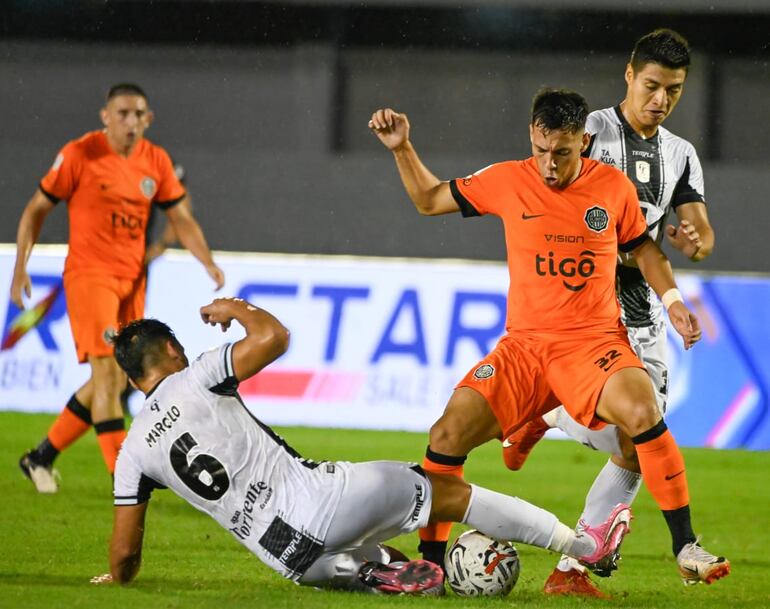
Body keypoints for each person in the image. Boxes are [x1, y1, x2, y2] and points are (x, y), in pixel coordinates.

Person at [368, 88, 728, 590]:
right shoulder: (507, 179)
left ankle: (685, 545)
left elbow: (645, 250)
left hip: (593, 344)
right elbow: (429, 200)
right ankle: (430, 566)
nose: (550, 165)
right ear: (531, 138)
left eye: (562, 152)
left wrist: (673, 304)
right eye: (541, 151)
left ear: (584, 141)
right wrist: (401, 148)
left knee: (644, 417)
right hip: (525, 348)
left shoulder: (613, 188)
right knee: (445, 436)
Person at [91, 297, 632, 593]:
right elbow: (275, 338)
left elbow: (124, 555)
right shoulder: (200, 374)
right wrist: (235, 307)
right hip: (326, 501)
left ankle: (374, 571)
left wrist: (114, 578)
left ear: (131, 375)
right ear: (171, 348)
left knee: (361, 556)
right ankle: (586, 548)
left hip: (288, 558)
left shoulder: (133, 453)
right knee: (445, 490)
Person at [499, 30, 721, 597]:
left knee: (641, 444)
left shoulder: (680, 153)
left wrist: (692, 238)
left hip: (643, 311)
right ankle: (576, 558)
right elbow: (554, 202)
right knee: (643, 436)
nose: (661, 99)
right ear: (629, 75)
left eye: (673, 90)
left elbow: (698, 236)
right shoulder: (586, 133)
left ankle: (546, 427)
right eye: (652, 86)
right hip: (585, 309)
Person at [13, 83, 225, 493]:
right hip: (91, 275)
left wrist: (207, 261)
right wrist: (20, 266)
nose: (131, 122)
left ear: (149, 119)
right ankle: (122, 478)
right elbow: (37, 208)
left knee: (114, 376)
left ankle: (40, 456)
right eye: (122, 114)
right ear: (105, 116)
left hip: (132, 279)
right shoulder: (80, 154)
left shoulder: (156, 161)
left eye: (138, 114)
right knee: (109, 373)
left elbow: (181, 216)